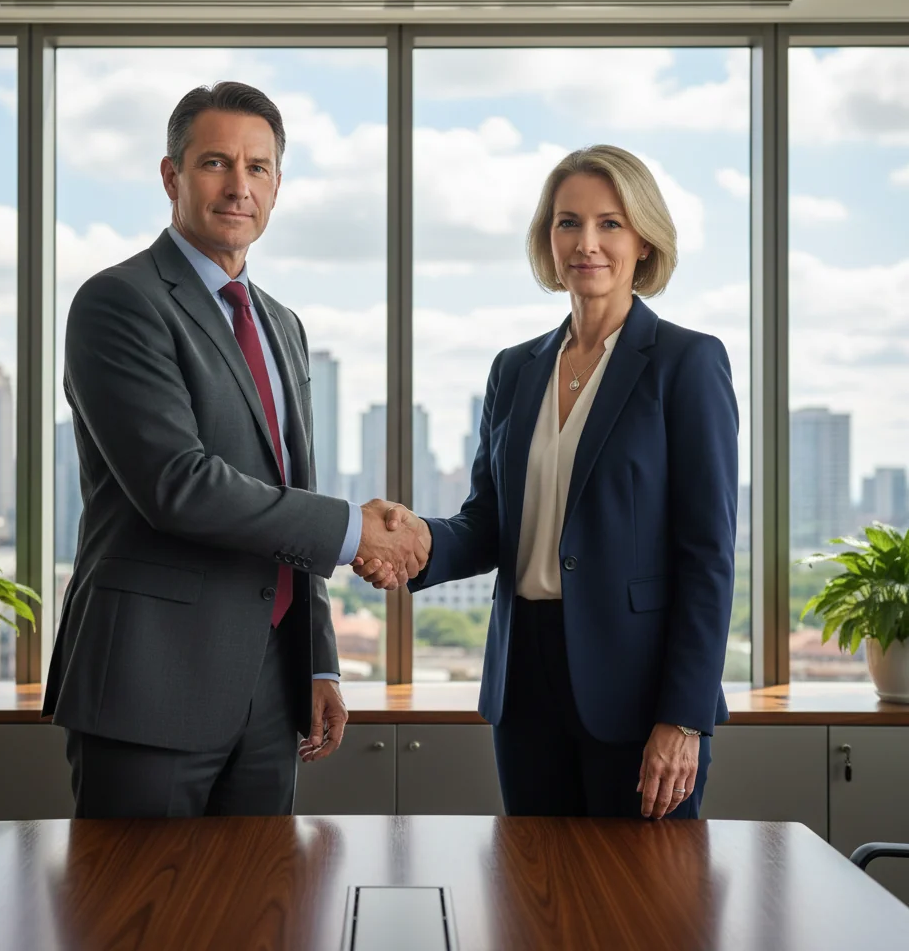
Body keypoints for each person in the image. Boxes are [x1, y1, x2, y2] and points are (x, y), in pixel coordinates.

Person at [43, 81, 426, 818]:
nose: (238, 186)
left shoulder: (281, 324)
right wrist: (354, 532)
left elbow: (289, 487)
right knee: (135, 922)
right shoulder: (119, 302)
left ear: (277, 186)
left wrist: (317, 660)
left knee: (258, 918)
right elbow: (177, 483)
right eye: (216, 163)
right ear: (172, 177)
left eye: (258, 168)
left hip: (270, 686)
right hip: (149, 684)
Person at [356, 145, 738, 820]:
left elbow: (707, 558)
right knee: (536, 906)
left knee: (641, 911)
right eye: (568, 223)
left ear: (644, 240)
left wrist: (683, 717)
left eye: (609, 223)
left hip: (639, 690)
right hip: (524, 682)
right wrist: (415, 541)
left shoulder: (687, 363)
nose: (586, 243)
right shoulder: (515, 369)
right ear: (548, 238)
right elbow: (489, 524)